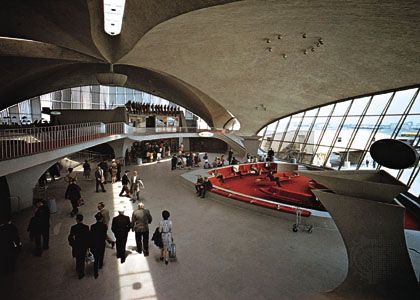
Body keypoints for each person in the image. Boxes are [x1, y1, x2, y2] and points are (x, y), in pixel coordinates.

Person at [68, 214, 90, 279]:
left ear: (77, 220)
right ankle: (81, 273)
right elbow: (88, 237)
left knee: (78, 258)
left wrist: (72, 244)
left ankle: (78, 268)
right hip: (83, 246)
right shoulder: (86, 227)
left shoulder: (73, 227)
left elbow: (70, 237)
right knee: (82, 259)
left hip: (77, 246)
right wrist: (88, 246)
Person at [90, 213, 107, 279]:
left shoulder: (92, 226)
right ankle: (100, 265)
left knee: (96, 258)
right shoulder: (104, 226)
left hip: (95, 244)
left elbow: (91, 236)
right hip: (102, 243)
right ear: (102, 218)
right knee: (101, 255)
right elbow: (104, 234)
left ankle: (95, 273)